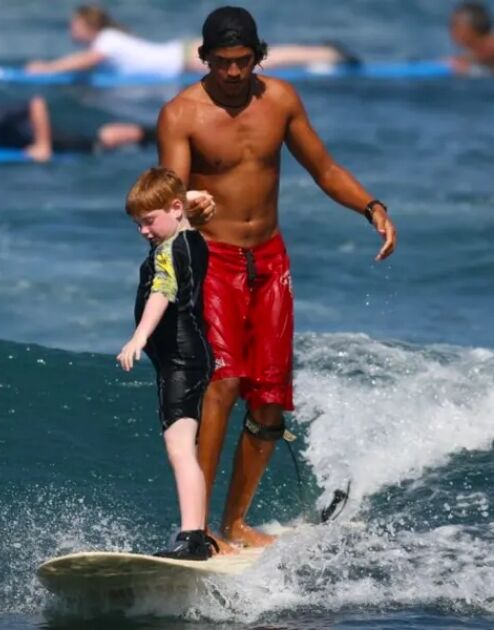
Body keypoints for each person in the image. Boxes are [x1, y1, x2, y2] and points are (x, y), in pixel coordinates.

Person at [157, 6, 397, 552]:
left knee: (267, 399)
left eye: (243, 61)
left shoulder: (281, 101)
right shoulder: (181, 115)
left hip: (270, 262)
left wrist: (371, 207)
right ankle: (197, 529)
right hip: (211, 261)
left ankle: (235, 523)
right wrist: (185, 205)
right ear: (204, 58)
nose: (234, 73)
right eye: (222, 62)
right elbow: (168, 193)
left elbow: (325, 169)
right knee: (220, 385)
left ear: (257, 56)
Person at [117, 167, 218, 560]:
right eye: (137, 223)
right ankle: (194, 533)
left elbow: (162, 291)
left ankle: (194, 537)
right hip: (183, 357)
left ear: (174, 209)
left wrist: (139, 337)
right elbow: (181, 208)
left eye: (147, 221)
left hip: (182, 357)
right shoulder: (187, 235)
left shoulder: (172, 249)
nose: (143, 230)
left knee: (180, 449)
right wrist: (183, 197)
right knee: (181, 446)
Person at [26, 5, 355, 77]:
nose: (71, 31)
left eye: (75, 26)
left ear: (88, 26)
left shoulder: (107, 41)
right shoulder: (111, 38)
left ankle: (327, 53)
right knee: (269, 55)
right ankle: (323, 51)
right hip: (181, 53)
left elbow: (87, 61)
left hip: (183, 57)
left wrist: (46, 68)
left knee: (268, 57)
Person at [0, 75, 156, 162]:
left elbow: (36, 103)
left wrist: (42, 145)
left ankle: (160, 132)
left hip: (64, 141)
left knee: (103, 140)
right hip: (56, 145)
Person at [449, 2, 494, 72]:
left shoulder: (490, 47)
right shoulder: (481, 51)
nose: (452, 31)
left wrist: (471, 69)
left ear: (470, 28)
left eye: (456, 25)